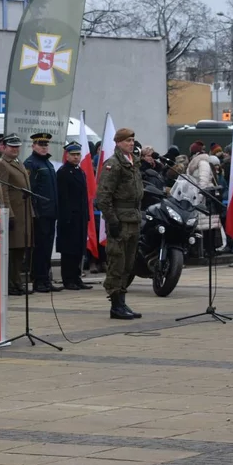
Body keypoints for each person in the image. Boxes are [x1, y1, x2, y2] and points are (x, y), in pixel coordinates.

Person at [96, 127, 143, 320]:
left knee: (129, 263)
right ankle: (115, 304)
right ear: (117, 143)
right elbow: (103, 196)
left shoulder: (133, 163)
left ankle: (122, 302)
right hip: (120, 219)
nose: (131, 143)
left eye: (132, 140)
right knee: (117, 261)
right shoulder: (113, 165)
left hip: (133, 218)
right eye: (127, 141)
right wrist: (112, 220)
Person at [0, 135, 34, 297]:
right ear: (4, 147)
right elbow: (3, 190)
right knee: (12, 250)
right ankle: (11, 283)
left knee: (20, 250)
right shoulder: (2, 164)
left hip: (24, 211)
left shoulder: (19, 162)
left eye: (17, 146)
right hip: (15, 213)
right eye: (12, 147)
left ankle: (17, 281)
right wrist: (8, 213)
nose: (15, 149)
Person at [24, 133, 60, 294]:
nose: (44, 147)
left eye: (46, 144)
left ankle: (45, 278)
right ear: (33, 146)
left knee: (46, 248)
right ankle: (38, 280)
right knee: (39, 249)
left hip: (51, 212)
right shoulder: (31, 164)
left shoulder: (48, 164)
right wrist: (35, 212)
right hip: (40, 214)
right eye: (40, 144)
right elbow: (30, 190)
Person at [56, 142, 92, 291]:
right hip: (69, 218)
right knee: (69, 250)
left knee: (78, 249)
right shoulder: (63, 173)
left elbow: (84, 197)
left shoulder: (80, 172)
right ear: (67, 155)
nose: (76, 157)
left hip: (80, 217)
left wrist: (86, 215)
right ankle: (68, 279)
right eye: (73, 155)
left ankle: (77, 277)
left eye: (78, 154)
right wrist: (66, 217)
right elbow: (62, 198)